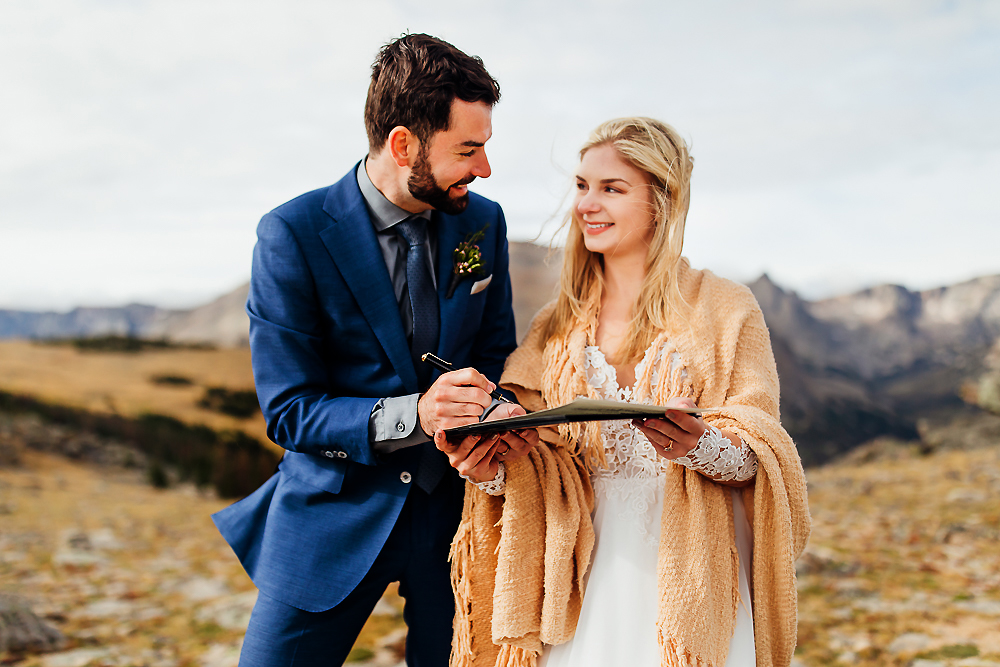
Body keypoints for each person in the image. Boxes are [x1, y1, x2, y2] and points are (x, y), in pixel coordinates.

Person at [212, 34, 536, 667]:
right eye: (468, 150)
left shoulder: (482, 223)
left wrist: (496, 408)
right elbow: (290, 412)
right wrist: (415, 414)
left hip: (455, 516)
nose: (485, 169)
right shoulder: (293, 235)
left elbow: (496, 350)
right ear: (403, 145)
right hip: (334, 513)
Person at [448, 118, 811, 667]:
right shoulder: (554, 325)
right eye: (581, 186)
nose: (587, 205)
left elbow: (761, 452)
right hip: (578, 582)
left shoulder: (725, 308)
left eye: (611, 189)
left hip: (691, 577)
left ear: (661, 202)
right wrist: (488, 464)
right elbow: (532, 462)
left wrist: (698, 445)